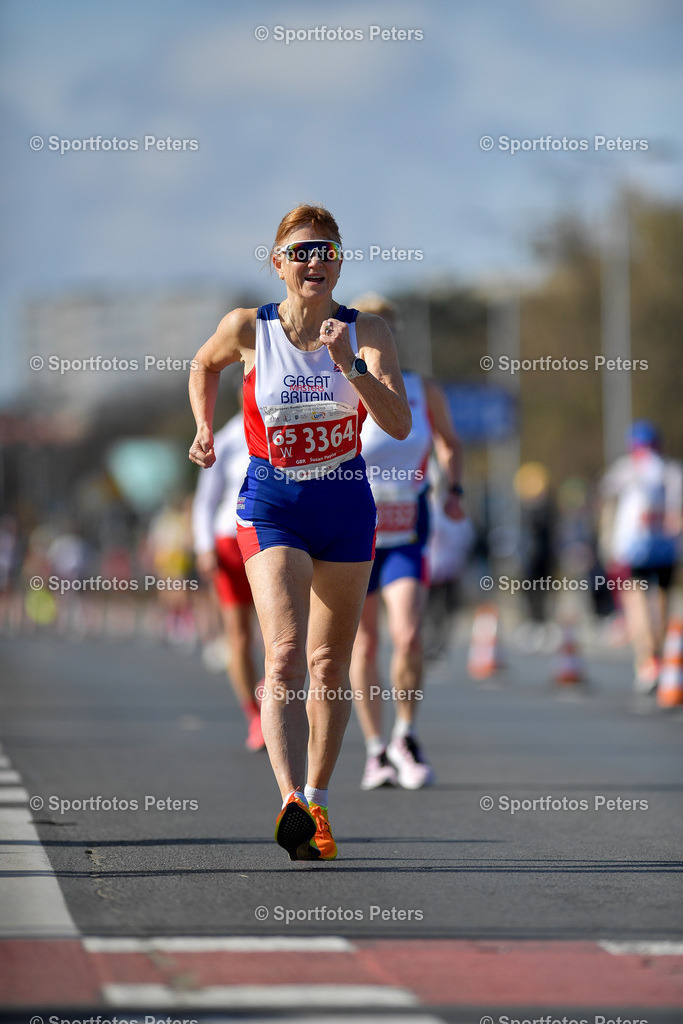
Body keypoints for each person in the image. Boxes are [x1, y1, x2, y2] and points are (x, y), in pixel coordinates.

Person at [188, 205, 411, 861]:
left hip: (344, 501)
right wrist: (203, 427)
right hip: (273, 499)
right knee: (284, 653)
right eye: (302, 250)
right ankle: (287, 797)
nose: (316, 262)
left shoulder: (363, 329)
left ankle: (315, 799)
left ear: (340, 262)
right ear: (278, 262)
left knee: (326, 664)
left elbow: (396, 423)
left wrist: (353, 368)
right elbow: (203, 365)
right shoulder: (247, 329)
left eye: (328, 250)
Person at [348, 294, 464, 791]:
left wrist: (453, 488)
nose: (379, 343)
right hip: (353, 530)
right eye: (370, 333)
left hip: (407, 529)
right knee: (365, 643)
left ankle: (406, 735)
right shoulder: (341, 386)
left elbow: (449, 442)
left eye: (386, 332)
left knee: (410, 635)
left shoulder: (420, 388)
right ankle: (375, 750)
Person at [192, 406, 265, 751]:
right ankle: (254, 715)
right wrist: (204, 547)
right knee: (238, 634)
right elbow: (205, 501)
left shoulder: (286, 421)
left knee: (282, 635)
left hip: (272, 538)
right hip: (229, 541)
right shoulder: (227, 437)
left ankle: (273, 698)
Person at [599, 420, 682, 693]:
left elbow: (605, 501)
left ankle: (648, 659)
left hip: (634, 549)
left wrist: (608, 545)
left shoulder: (626, 469)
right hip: (665, 549)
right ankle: (656, 655)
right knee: (659, 601)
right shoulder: (672, 472)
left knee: (638, 605)